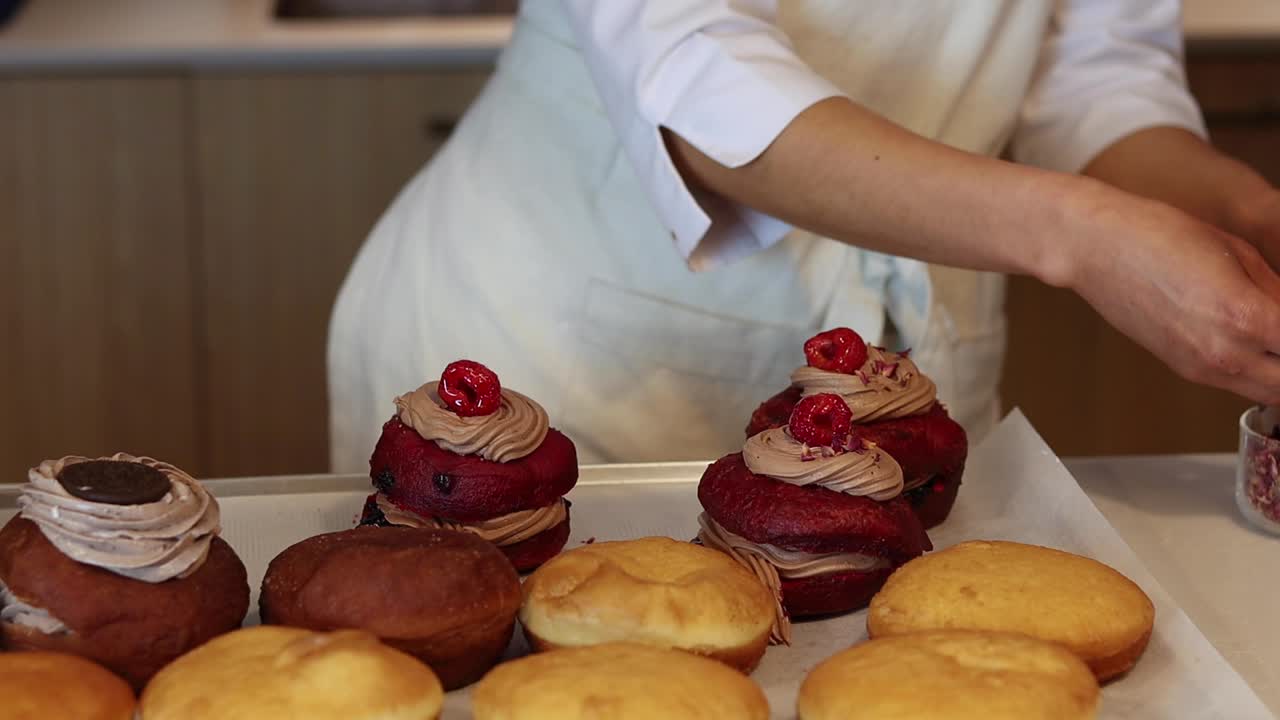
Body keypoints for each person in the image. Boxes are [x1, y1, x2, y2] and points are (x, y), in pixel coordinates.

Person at [327, 0, 1280, 470]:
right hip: (563, 358)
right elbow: (701, 80)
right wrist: (1086, 235)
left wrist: (1246, 215)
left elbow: (1091, 78)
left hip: (894, 374)